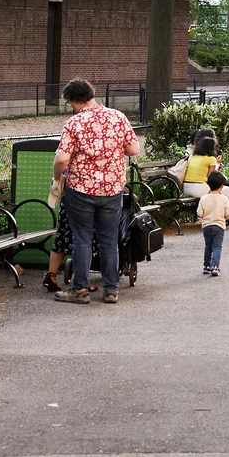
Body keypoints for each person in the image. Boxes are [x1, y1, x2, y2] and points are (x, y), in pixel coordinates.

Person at [53, 77, 140, 304]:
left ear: (73, 100)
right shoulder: (118, 117)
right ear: (91, 94)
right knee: (109, 239)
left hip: (81, 189)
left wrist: (56, 178)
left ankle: (79, 290)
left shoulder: (74, 123)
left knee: (81, 238)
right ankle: (111, 290)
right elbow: (134, 149)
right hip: (112, 189)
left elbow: (62, 158)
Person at [182, 130, 229, 228]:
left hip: (186, 188)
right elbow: (212, 178)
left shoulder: (193, 156)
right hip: (199, 187)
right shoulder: (210, 159)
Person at [198, 171, 229, 277]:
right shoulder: (224, 198)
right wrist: (224, 217)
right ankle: (215, 266)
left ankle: (206, 266)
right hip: (219, 226)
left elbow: (199, 213)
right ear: (222, 186)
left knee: (208, 246)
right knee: (217, 247)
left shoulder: (203, 198)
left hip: (207, 226)